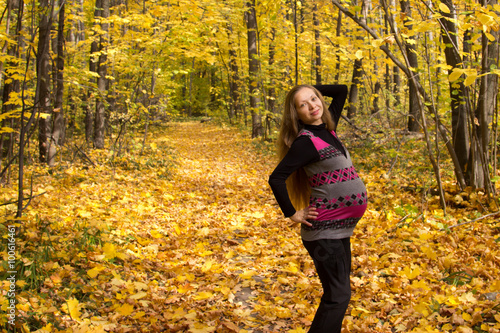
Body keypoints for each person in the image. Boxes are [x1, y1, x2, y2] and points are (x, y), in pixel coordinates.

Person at [268, 84, 367, 332]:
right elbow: (276, 178)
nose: (313, 105)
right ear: (296, 114)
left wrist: (308, 87)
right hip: (324, 232)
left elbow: (342, 90)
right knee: (338, 295)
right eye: (303, 104)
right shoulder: (306, 142)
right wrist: (292, 213)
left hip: (339, 230)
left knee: (339, 292)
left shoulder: (328, 129)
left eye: (314, 99)